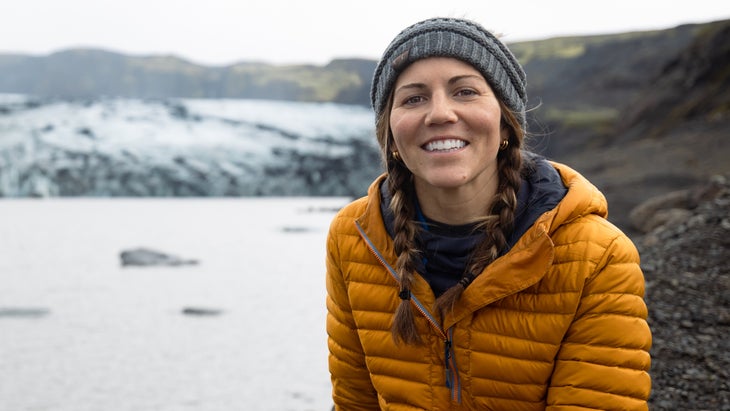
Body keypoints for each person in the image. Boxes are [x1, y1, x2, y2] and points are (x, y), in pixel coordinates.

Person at [325, 17, 651, 410]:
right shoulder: (355, 237)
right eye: (414, 98)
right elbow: (354, 402)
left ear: (506, 123)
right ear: (390, 135)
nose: (440, 114)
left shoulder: (597, 256)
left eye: (464, 92)